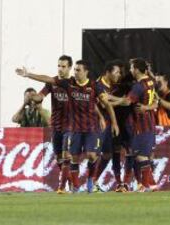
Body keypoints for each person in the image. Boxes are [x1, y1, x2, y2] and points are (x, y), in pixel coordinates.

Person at [16, 60, 117, 193]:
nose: (75, 72)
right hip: (74, 128)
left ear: (86, 72)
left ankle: (90, 180)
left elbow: (106, 104)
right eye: (74, 70)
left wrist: (112, 122)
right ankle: (74, 187)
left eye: (78, 70)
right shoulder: (69, 84)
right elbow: (48, 79)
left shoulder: (94, 85)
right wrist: (28, 74)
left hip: (91, 128)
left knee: (92, 155)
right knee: (72, 158)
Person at [30, 55, 72, 193]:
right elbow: (41, 96)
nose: (60, 69)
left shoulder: (73, 82)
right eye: (59, 66)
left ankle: (63, 186)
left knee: (66, 155)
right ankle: (71, 181)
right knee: (59, 156)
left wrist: (28, 74)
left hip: (71, 124)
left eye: (63, 66)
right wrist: (33, 97)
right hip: (56, 124)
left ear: (70, 67)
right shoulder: (51, 83)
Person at [117, 58, 157, 192]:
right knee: (142, 155)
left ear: (137, 70)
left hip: (141, 124)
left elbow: (127, 102)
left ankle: (148, 185)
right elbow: (156, 101)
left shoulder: (138, 86)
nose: (130, 70)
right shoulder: (151, 81)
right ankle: (150, 185)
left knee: (140, 155)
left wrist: (111, 101)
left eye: (132, 67)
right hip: (150, 123)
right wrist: (148, 107)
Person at [94, 60, 122, 192]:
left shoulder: (110, 85)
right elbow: (107, 104)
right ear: (108, 73)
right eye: (116, 72)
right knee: (94, 154)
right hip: (99, 123)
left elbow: (110, 100)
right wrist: (122, 101)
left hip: (107, 123)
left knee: (107, 154)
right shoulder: (98, 85)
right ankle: (85, 183)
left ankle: (93, 181)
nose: (119, 75)